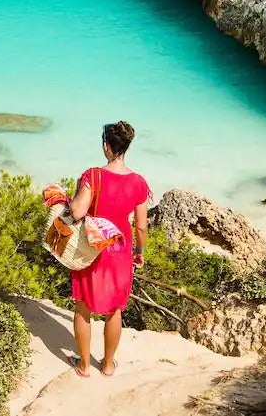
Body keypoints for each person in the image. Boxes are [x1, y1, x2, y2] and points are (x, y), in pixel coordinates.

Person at [67, 121, 150, 379]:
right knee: (115, 310)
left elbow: (78, 211)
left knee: (83, 307)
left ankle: (83, 366)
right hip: (120, 249)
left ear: (106, 146)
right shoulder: (138, 182)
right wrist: (140, 250)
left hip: (92, 248)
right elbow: (141, 226)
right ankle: (108, 364)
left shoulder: (93, 176)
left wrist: (68, 201)